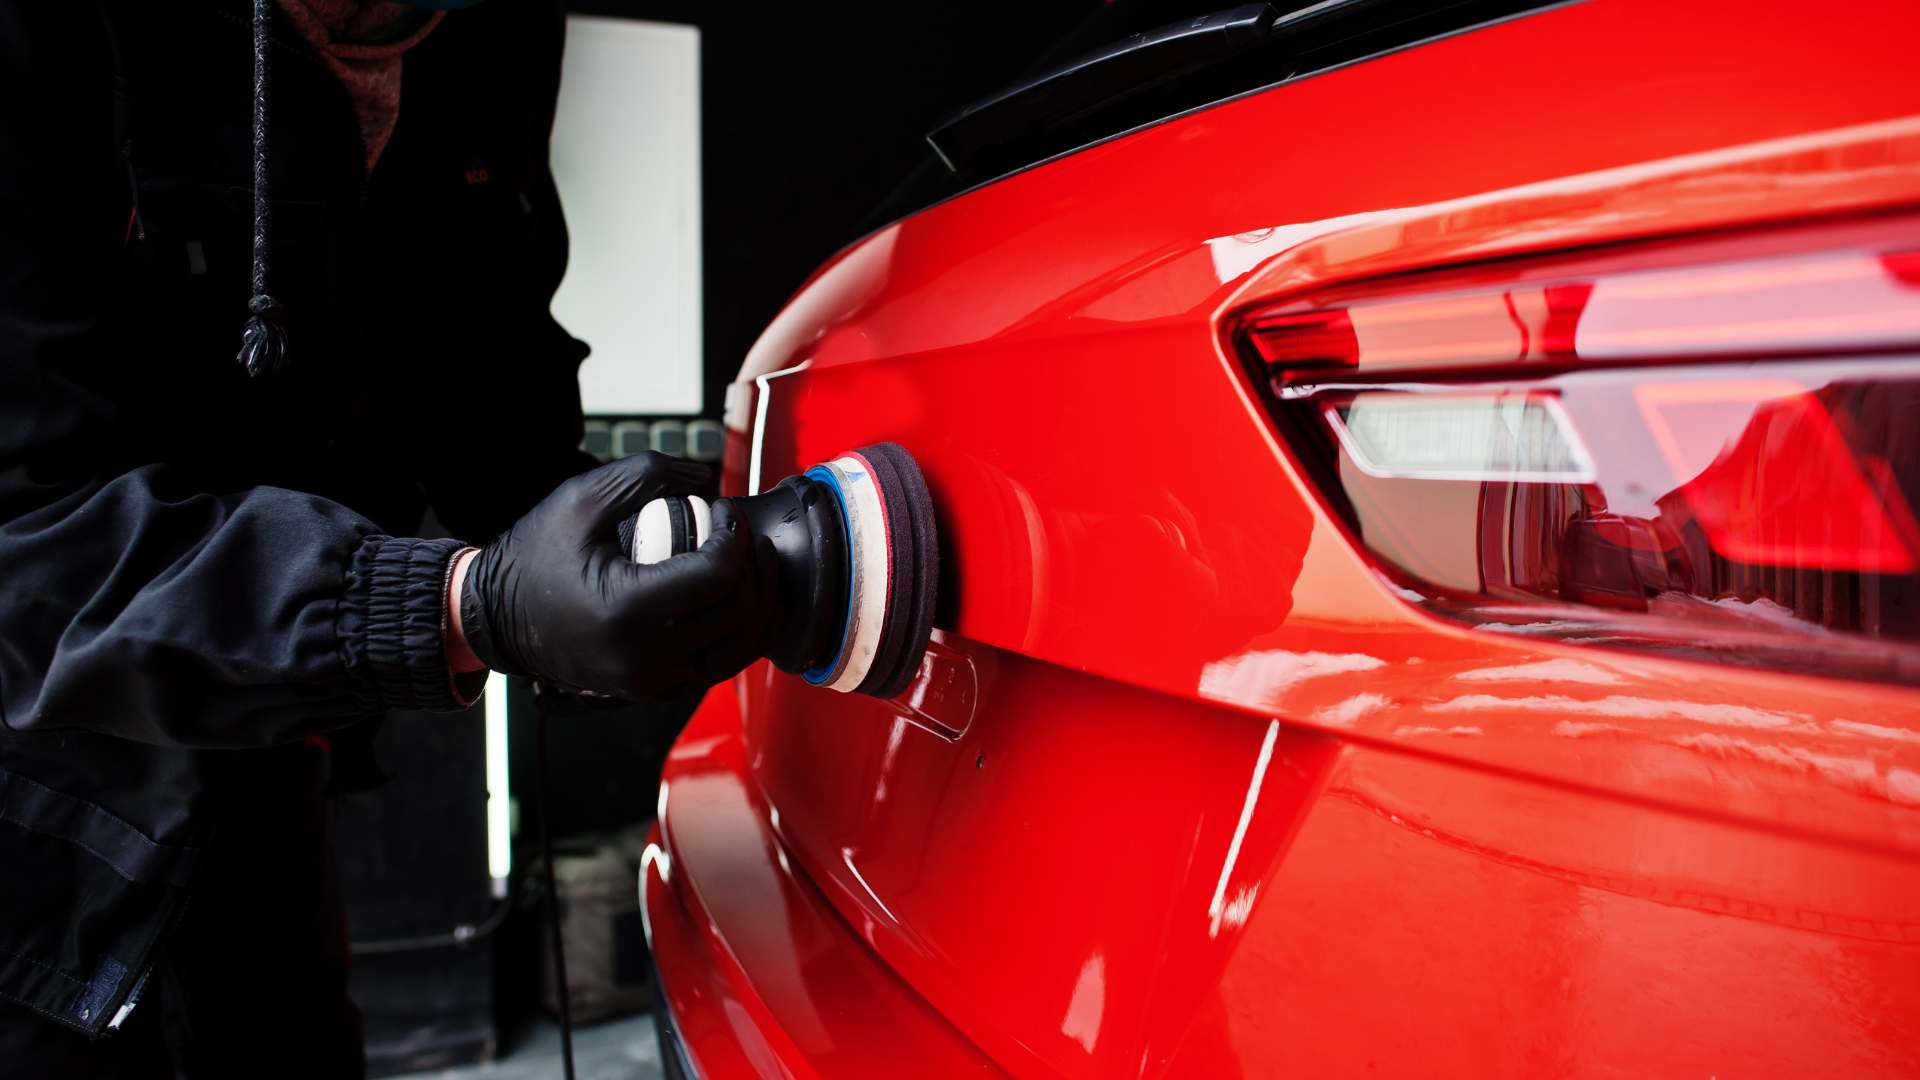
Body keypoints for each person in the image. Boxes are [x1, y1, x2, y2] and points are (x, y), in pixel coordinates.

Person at [0, 0, 776, 1074]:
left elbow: (480, 354)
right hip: (30, 803)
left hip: (251, 751)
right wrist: (464, 607)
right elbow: (23, 539)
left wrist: (598, 529)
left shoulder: (494, 31)